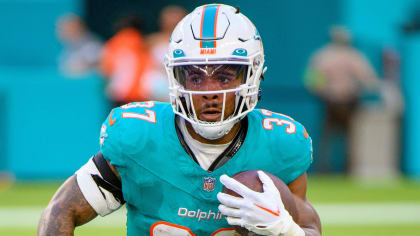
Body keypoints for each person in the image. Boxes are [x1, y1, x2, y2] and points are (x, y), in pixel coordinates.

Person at [38, 4, 321, 236]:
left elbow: (310, 229)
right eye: (195, 76)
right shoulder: (138, 136)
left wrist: (286, 230)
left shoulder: (281, 143)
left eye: (224, 76)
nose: (210, 92)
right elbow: (62, 209)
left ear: (254, 75)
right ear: (175, 77)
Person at [304, 26, 378, 173]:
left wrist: (322, 91)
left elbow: (311, 79)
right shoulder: (354, 56)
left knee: (326, 138)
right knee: (350, 139)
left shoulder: (322, 55)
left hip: (329, 101)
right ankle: (348, 170)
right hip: (348, 101)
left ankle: (323, 169)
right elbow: (369, 80)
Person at [100, 15, 155, 107]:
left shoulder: (113, 43)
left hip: (117, 93)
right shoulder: (143, 43)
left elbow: (106, 70)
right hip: (138, 94)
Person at [56, 13, 103, 77]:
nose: (61, 33)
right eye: (60, 29)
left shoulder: (92, 46)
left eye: (66, 29)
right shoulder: (69, 49)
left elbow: (101, 68)